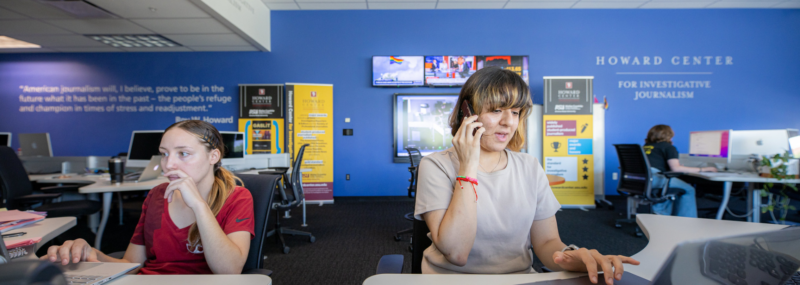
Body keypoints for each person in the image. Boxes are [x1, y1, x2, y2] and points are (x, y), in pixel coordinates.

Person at [415, 67, 639, 284]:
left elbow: (547, 242)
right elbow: (456, 253)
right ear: (468, 113)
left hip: (520, 280)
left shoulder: (529, 166)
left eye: (515, 112)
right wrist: (468, 167)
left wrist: (574, 258)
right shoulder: (436, 165)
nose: (508, 122)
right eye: (496, 110)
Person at [41, 120, 255, 274]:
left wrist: (199, 206)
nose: (168, 164)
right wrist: (93, 254)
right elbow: (131, 264)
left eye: (183, 153)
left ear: (213, 156)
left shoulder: (237, 197)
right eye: (164, 153)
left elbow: (229, 270)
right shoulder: (156, 196)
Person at [643, 124, 715, 218]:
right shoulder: (668, 147)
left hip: (642, 180)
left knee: (671, 188)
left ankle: (661, 213)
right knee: (688, 190)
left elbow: (656, 163)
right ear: (669, 135)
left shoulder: (645, 147)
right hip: (656, 179)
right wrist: (704, 169)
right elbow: (676, 169)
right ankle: (686, 221)